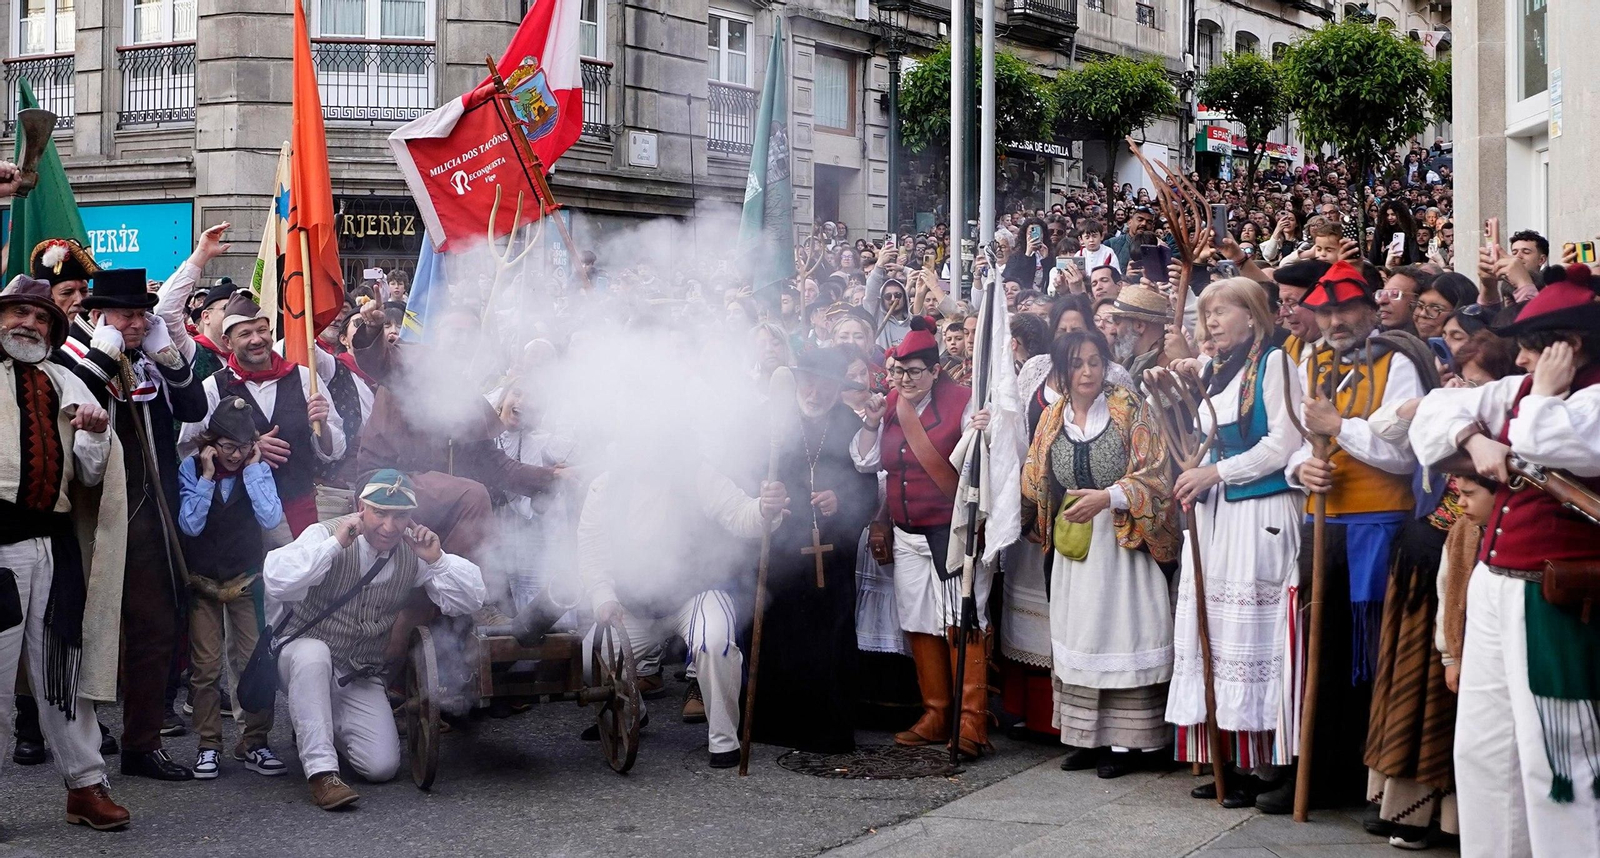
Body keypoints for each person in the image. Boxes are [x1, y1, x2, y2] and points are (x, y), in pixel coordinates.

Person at [1409, 264, 1600, 858]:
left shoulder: (1585, 398)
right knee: (1484, 750)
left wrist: (1541, 395)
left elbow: (1548, 441)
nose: (1518, 361)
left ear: (1570, 348)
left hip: (1558, 597)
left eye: (1531, 351)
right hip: (1495, 584)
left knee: (1561, 758)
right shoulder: (1519, 392)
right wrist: (1473, 438)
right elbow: (1430, 416)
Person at [1279, 259, 1427, 814]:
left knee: (1370, 655)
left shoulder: (1399, 361)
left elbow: (1405, 452)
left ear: (1370, 309)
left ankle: (1369, 783)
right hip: (1322, 522)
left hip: (1379, 522)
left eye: (1345, 310)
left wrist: (1339, 428)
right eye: (1325, 312)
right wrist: (1301, 469)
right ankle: (1316, 774)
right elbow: (1296, 441)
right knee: (1318, 651)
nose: (1334, 321)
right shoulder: (1310, 361)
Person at [58, 267, 209, 782]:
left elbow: (193, 407)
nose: (140, 324)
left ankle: (143, 744)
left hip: (149, 517)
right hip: (89, 518)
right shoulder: (70, 356)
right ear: (100, 315)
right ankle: (76, 749)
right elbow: (73, 407)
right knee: (80, 633)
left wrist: (169, 355)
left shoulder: (146, 358)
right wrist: (103, 353)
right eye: (128, 316)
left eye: (144, 315)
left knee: (155, 627)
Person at [264, 470, 486, 809]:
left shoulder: (413, 552)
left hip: (358, 670)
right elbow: (277, 580)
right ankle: (322, 774)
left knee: (381, 767)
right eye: (380, 513)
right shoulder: (325, 534)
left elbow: (471, 600)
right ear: (360, 508)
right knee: (314, 653)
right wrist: (335, 545)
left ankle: (315, 722)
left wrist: (438, 560)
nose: (389, 526)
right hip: (299, 658)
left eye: (400, 516)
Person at [1165, 278, 1305, 807]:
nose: (1213, 321)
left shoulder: (1275, 364)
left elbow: (1283, 443)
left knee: (1256, 636)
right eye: (1208, 313)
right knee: (1218, 636)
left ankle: (1269, 764)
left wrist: (1217, 473)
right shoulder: (1212, 370)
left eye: (1223, 311)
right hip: (1217, 513)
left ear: (1252, 316)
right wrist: (1196, 473)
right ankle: (1235, 760)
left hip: (1260, 513)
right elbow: (1201, 440)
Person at [0, 276, 130, 830]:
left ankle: (85, 785)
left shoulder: (64, 380)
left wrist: (95, 434)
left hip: (53, 546)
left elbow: (90, 475)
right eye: (18, 314)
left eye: (40, 318)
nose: (29, 324)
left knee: (62, 670)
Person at [1021, 329, 1179, 778]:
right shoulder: (1052, 417)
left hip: (1123, 544)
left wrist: (1109, 497)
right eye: (1077, 363)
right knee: (1082, 635)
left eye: (1094, 361)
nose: (1087, 372)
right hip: (1076, 544)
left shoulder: (1129, 408)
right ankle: (1087, 738)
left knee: (1122, 633)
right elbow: (1034, 476)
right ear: (1061, 370)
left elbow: (1157, 474)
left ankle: (1130, 744)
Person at [578, 444, 788, 768]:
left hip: (697, 594)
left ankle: (724, 741)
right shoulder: (603, 486)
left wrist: (763, 508)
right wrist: (603, 595)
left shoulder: (696, 474)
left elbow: (738, 513)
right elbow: (592, 549)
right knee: (590, 654)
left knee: (714, 645)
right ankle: (633, 712)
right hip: (635, 605)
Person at [852, 317, 986, 757]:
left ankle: (971, 720)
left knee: (961, 620)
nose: (904, 380)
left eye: (913, 372)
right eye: (898, 371)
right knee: (917, 619)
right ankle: (936, 713)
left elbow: (981, 464)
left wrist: (985, 429)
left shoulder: (964, 402)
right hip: (907, 532)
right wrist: (872, 423)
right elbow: (867, 462)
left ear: (935, 370)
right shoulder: (890, 405)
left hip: (952, 531)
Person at [749, 349, 877, 752]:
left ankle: (828, 728)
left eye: (825, 385)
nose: (815, 392)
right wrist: (764, 496)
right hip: (782, 551)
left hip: (832, 554)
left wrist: (841, 498)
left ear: (839, 388)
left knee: (830, 637)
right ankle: (773, 724)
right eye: (808, 382)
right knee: (780, 630)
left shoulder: (850, 426)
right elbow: (747, 475)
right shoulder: (773, 425)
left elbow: (869, 483)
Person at [177, 396, 287, 780]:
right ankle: (208, 745)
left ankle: (255, 742)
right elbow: (189, 525)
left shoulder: (256, 468)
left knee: (255, 662)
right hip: (203, 582)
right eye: (227, 446)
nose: (235, 455)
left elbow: (270, 517)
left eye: (242, 446)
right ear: (212, 443)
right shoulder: (192, 468)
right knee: (205, 668)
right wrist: (207, 478)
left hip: (245, 579)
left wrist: (254, 471)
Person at [179, 293, 345, 536]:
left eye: (262, 330)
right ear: (227, 341)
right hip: (237, 520)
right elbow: (189, 450)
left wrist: (323, 427)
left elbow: (335, 451)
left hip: (297, 509)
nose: (256, 339)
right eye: (245, 334)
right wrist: (244, 450)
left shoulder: (303, 378)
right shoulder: (213, 387)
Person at [1106, 283, 1171, 389]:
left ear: (1139, 326)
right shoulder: (1127, 360)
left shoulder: (1168, 364)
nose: (1112, 330)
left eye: (1117, 322)